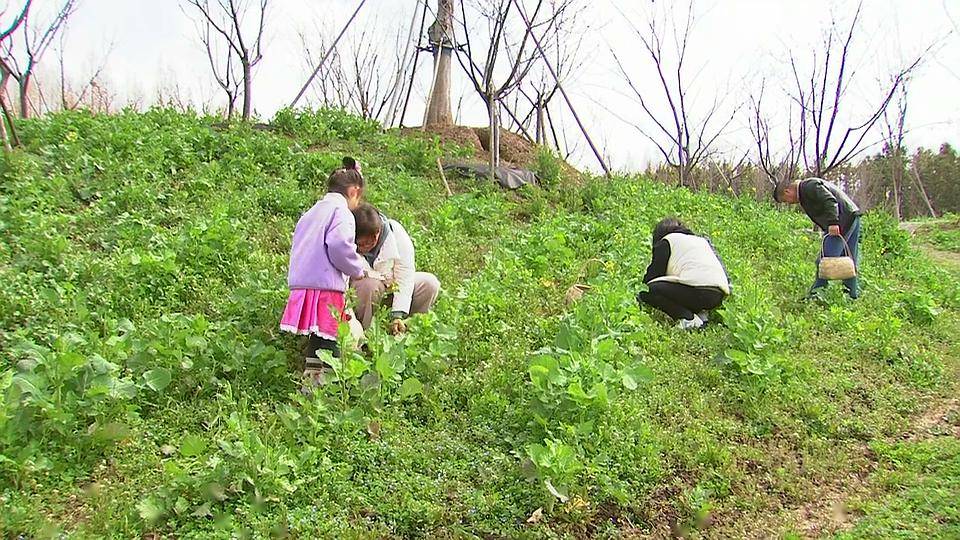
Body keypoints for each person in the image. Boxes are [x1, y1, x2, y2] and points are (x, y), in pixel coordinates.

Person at [279, 168, 367, 385]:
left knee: (317, 335)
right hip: (325, 285)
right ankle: (328, 385)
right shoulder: (342, 212)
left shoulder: (312, 211)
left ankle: (310, 381)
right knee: (330, 336)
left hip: (304, 282)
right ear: (354, 191)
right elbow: (339, 245)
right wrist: (356, 269)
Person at [351, 203, 440, 335]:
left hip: (391, 287)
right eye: (362, 244)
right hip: (365, 295)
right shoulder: (345, 239)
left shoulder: (395, 232)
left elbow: (405, 273)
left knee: (429, 283)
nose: (366, 247)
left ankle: (406, 328)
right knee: (370, 285)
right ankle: (366, 335)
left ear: (378, 232)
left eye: (371, 242)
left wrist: (398, 314)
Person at [773, 177, 863, 299]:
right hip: (852, 215)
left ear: (787, 191)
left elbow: (830, 200)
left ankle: (816, 295)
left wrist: (833, 222)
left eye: (785, 201)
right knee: (849, 259)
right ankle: (851, 296)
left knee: (824, 259)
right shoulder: (806, 190)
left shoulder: (809, 186)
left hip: (843, 220)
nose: (788, 203)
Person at [637, 218, 731, 330]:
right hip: (717, 295)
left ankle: (688, 318)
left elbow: (653, 276)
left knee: (647, 289)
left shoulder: (667, 240)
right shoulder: (702, 241)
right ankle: (701, 315)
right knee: (682, 288)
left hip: (695, 290)